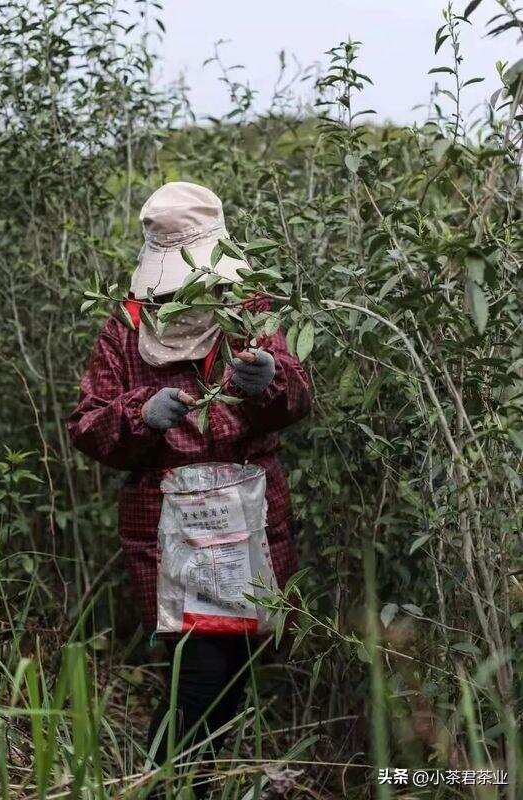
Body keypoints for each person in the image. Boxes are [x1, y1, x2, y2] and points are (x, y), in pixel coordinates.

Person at [67, 181, 312, 797]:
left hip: (249, 517)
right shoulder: (124, 330)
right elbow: (87, 424)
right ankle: (160, 787)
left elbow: (298, 398)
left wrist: (271, 380)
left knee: (236, 668)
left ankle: (190, 785)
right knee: (198, 674)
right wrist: (137, 414)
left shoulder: (250, 313)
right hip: (168, 529)